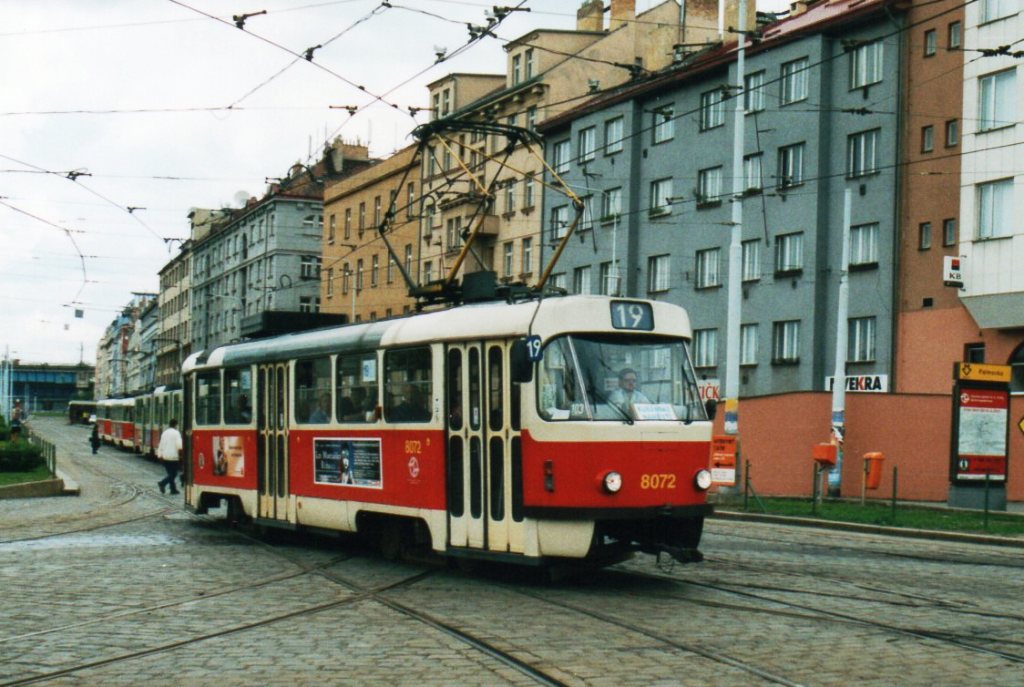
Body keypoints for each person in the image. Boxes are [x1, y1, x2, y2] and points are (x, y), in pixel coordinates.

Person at [157, 418, 183, 495]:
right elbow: (179, 445)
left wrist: (160, 455)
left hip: (165, 456)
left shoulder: (164, 433)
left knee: (170, 474)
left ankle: (173, 489)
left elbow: (161, 444)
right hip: (173, 456)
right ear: (176, 425)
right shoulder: (176, 433)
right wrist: (181, 455)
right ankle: (162, 483)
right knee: (174, 474)